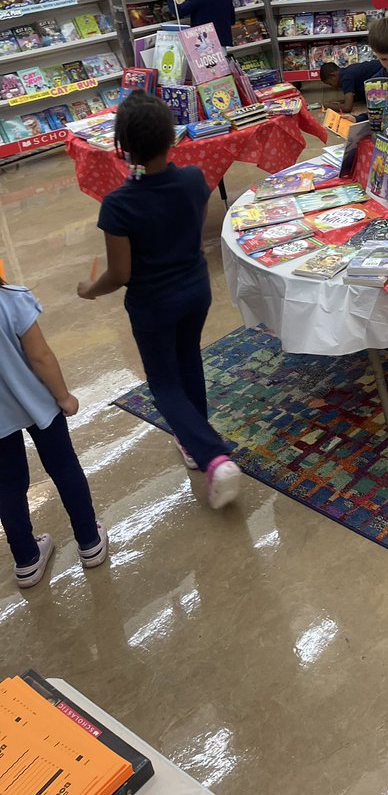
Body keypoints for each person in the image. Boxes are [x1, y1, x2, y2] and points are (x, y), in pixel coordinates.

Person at [77, 91, 241, 510]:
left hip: (153, 304)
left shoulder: (118, 205)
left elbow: (120, 274)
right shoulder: (193, 179)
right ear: (172, 137)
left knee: (164, 384)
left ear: (124, 147)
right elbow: (194, 224)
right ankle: (195, 440)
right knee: (188, 361)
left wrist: (89, 289)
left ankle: (212, 455)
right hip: (196, 289)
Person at [0, 276, 107, 588]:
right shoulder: (12, 298)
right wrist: (63, 396)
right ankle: (89, 540)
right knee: (63, 466)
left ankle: (26, 559)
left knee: (7, 484)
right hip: (38, 403)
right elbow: (40, 356)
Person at [320, 58, 387, 114]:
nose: (333, 87)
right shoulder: (347, 73)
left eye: (330, 84)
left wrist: (328, 105)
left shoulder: (345, 78)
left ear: (333, 75)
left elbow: (347, 108)